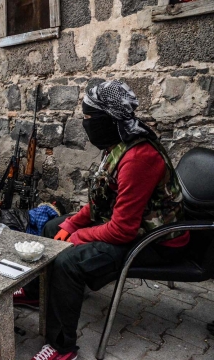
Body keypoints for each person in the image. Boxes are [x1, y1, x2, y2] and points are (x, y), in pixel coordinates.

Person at [29, 80, 190, 360]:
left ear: (109, 119)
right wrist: (71, 224)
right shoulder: (117, 142)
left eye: (89, 118)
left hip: (156, 242)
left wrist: (77, 238)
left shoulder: (139, 156)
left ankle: (61, 348)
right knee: (52, 227)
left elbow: (122, 230)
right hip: (132, 226)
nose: (86, 124)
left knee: (68, 260)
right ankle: (37, 292)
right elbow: (101, 200)